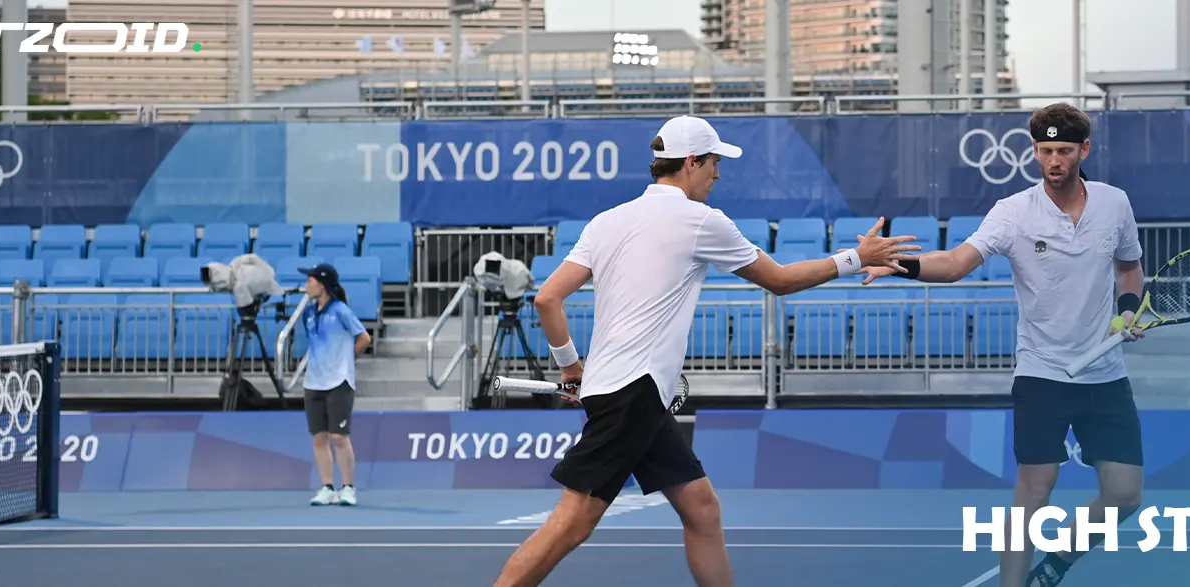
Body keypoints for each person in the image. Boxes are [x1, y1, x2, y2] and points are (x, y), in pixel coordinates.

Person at [490, 115, 921, 587]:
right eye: (714, 162)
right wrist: (857, 258)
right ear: (692, 162)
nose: (718, 173)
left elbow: (547, 299)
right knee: (572, 522)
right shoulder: (701, 221)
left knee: (701, 508)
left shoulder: (605, 221)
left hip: (628, 392)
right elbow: (779, 281)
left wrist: (571, 368)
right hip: (633, 395)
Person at [861, 103, 1145, 587]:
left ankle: (1057, 563)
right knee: (1035, 493)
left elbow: (1129, 268)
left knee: (1124, 494)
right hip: (1043, 373)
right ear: (1034, 151)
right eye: (1045, 150)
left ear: (1084, 151)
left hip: (1105, 373)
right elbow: (953, 263)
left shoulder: (1114, 203)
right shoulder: (1012, 213)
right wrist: (901, 264)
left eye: (1064, 150)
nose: (1054, 160)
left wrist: (1127, 310)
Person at [298, 262, 371, 507]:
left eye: (309, 281)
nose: (306, 285)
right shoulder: (308, 313)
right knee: (319, 438)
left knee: (339, 436)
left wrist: (346, 359)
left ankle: (348, 488)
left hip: (339, 381)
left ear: (322, 285)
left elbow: (364, 337)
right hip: (314, 382)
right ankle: (327, 487)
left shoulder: (340, 310)